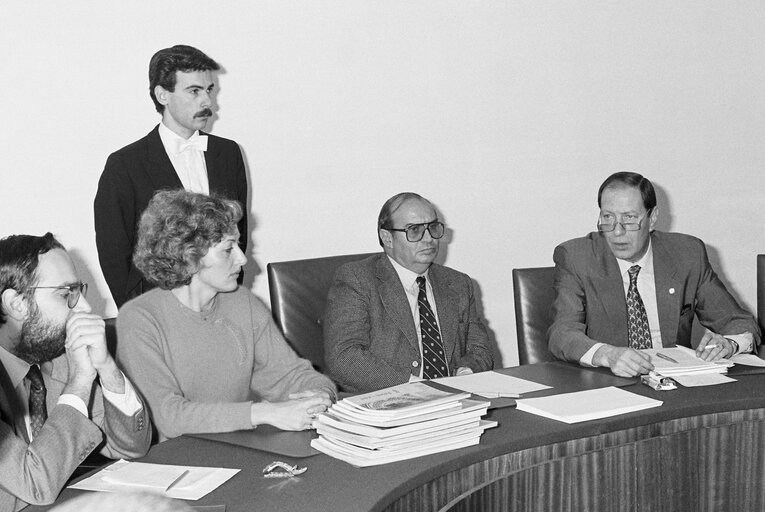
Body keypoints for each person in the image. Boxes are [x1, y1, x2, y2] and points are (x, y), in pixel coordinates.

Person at [116, 190, 335, 442]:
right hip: (175, 462)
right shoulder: (139, 319)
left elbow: (287, 375)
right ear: (189, 256)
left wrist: (321, 393)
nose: (242, 259)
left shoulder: (243, 302)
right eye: (228, 249)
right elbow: (167, 416)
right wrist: (263, 413)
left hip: (238, 446)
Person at [548, 171, 760, 377]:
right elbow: (562, 334)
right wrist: (607, 354)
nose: (617, 231)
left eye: (630, 218)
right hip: (609, 384)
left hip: (676, 384)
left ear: (652, 218)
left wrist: (730, 343)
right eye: (608, 217)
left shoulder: (687, 254)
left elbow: (738, 321)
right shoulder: (578, 257)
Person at [0, 233, 151, 511]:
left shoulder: (57, 357)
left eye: (79, 291)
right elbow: (36, 484)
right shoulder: (72, 370)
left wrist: (106, 368)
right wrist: (80, 381)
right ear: (16, 304)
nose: (85, 307)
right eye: (66, 294)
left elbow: (130, 447)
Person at [94, 44, 248, 308]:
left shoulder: (228, 153)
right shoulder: (125, 165)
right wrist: (139, 313)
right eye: (194, 91)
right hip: (158, 307)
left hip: (221, 304)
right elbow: (114, 253)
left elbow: (238, 231)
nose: (207, 102)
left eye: (209, 90)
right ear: (162, 95)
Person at [323, 192, 494, 393]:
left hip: (453, 404)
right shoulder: (357, 279)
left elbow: (479, 348)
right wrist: (417, 387)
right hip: (389, 403)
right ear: (387, 237)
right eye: (414, 230)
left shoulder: (458, 283)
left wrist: (465, 374)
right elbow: (344, 357)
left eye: (433, 227)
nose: (429, 238)